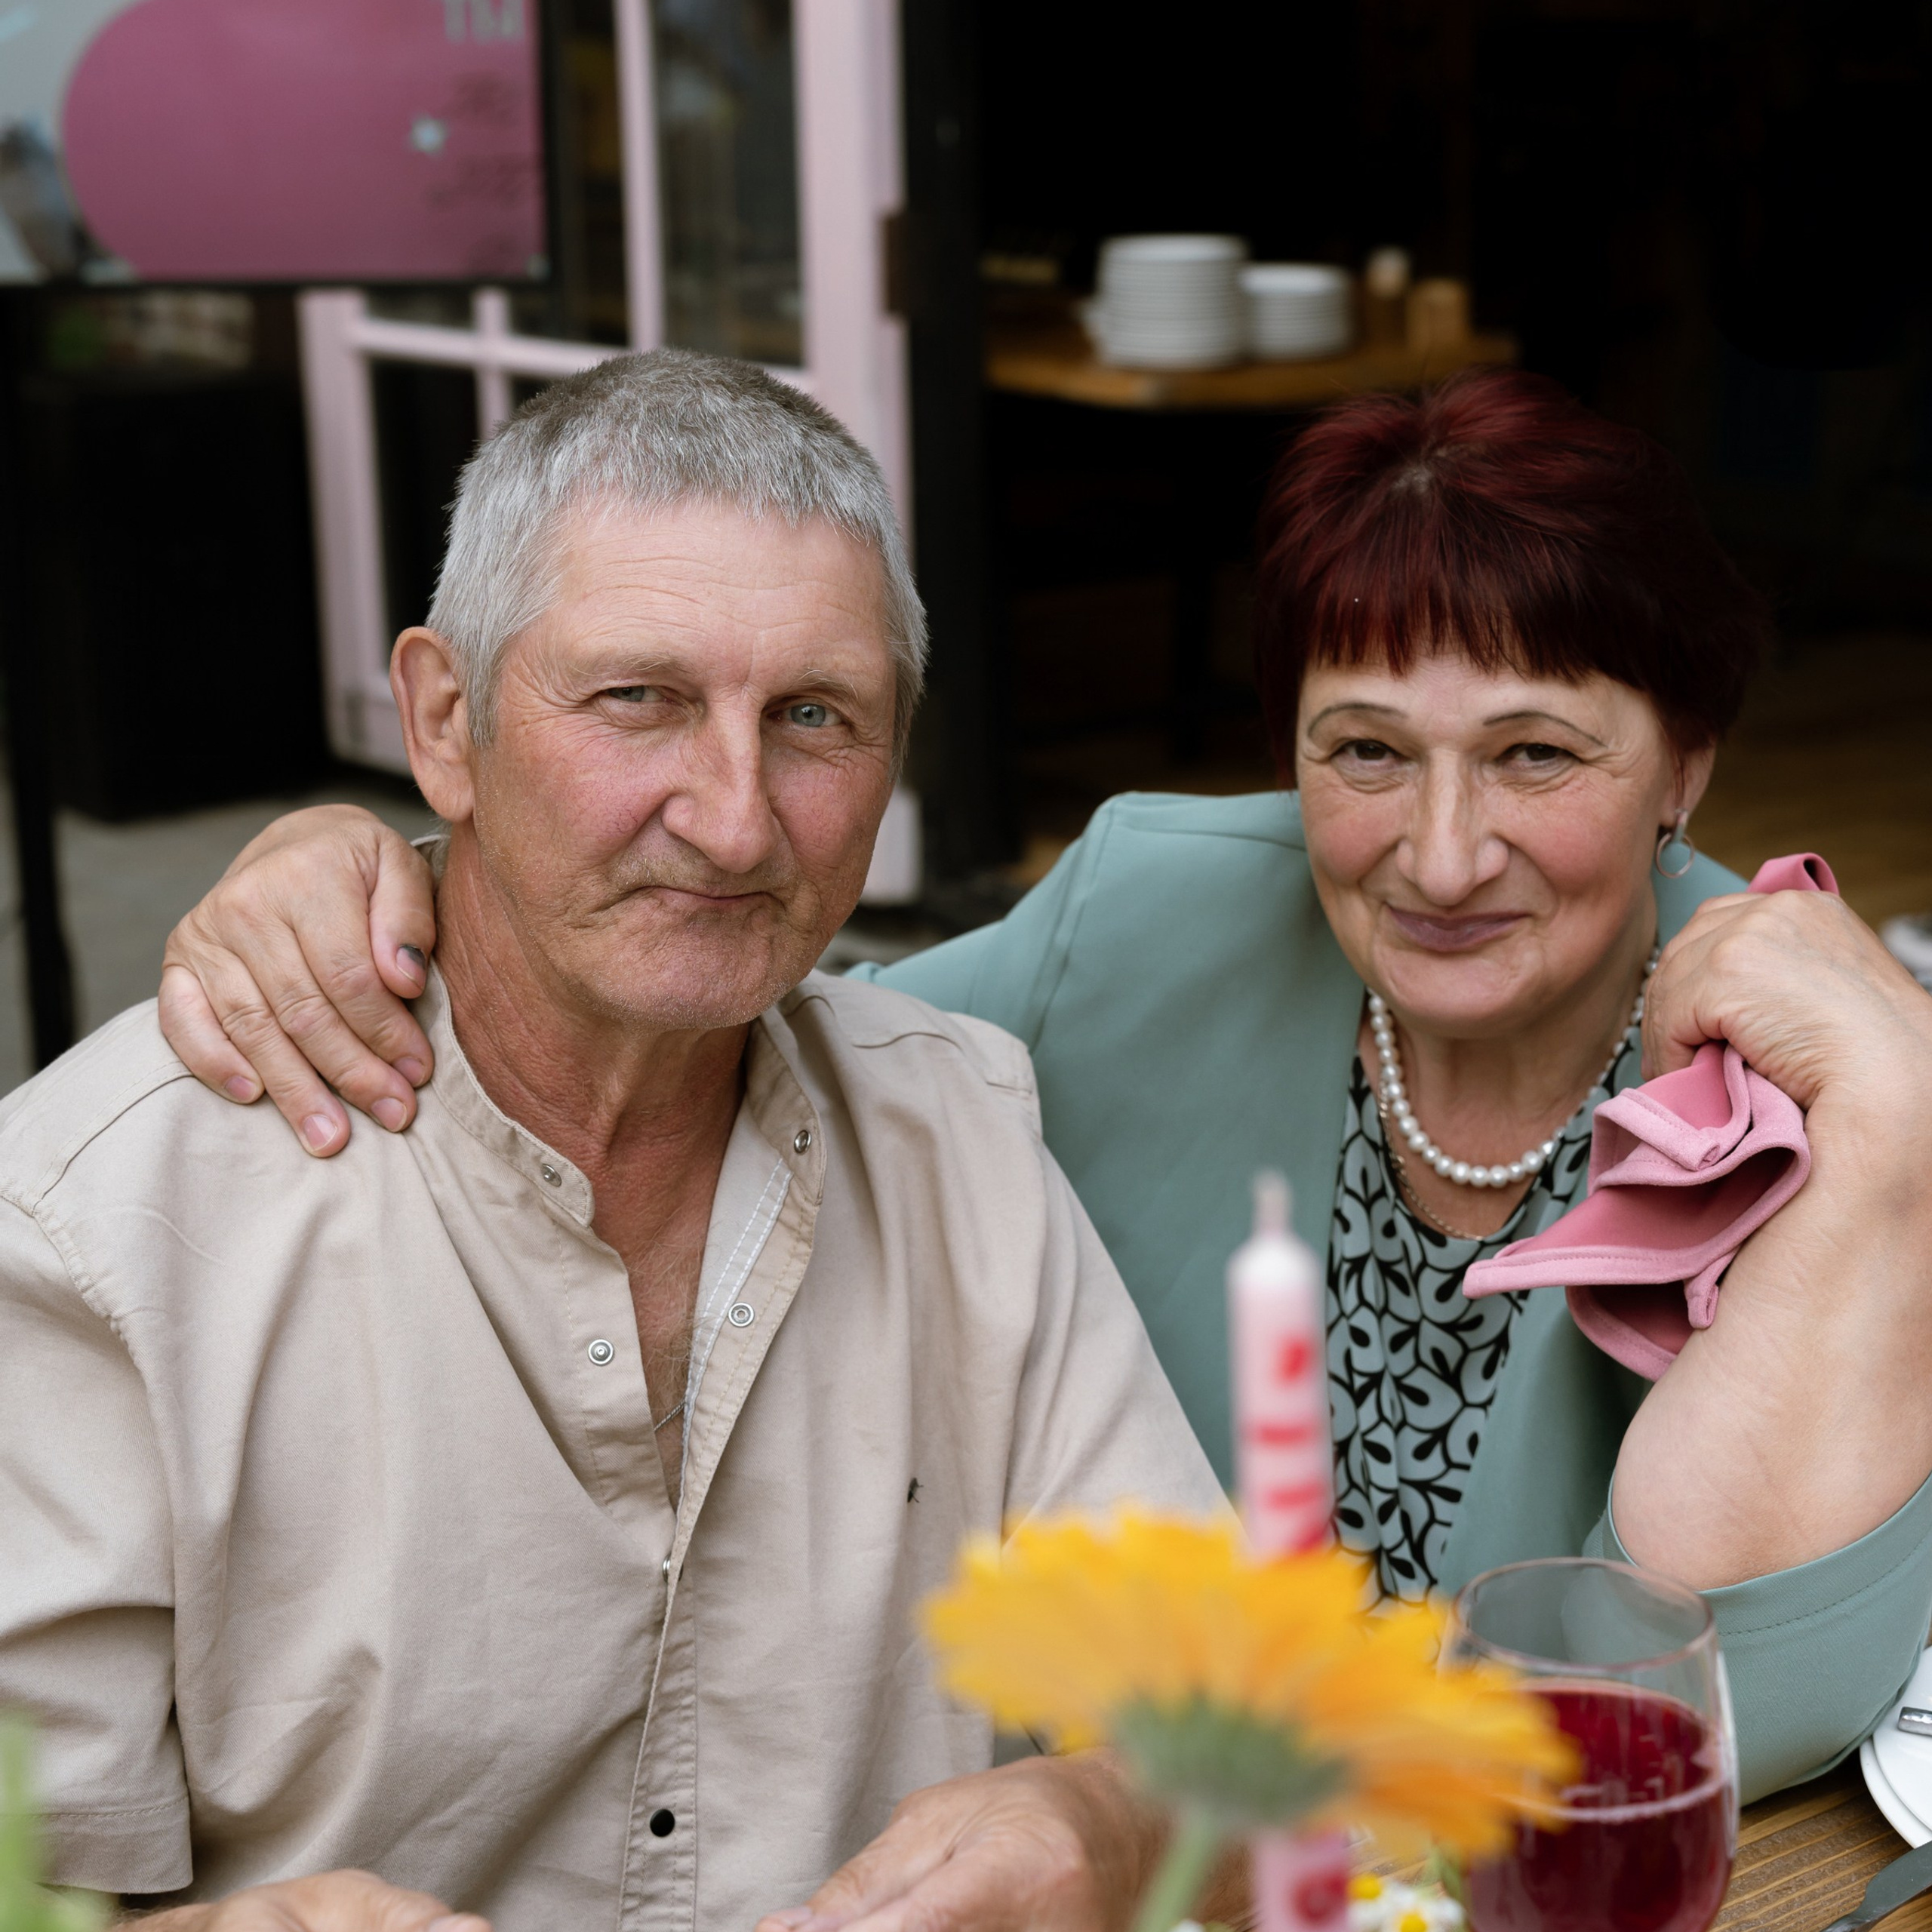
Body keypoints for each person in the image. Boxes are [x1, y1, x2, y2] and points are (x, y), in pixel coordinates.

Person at [157, 371, 1932, 1804]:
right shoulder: (1154, 911)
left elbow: (1723, 1696)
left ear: (1680, 767)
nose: (1440, 850)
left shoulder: (1773, 1070)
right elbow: (722, 1012)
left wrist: (1895, 1115)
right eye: (1363, 751)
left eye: (1534, 753)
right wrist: (399, 861)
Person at [0, 351, 1230, 1932]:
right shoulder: (99, 1224)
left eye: (815, 717)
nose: (734, 817)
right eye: (637, 699)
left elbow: (1237, 1721)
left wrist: (1113, 1813)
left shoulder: (956, 1137)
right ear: (445, 721)